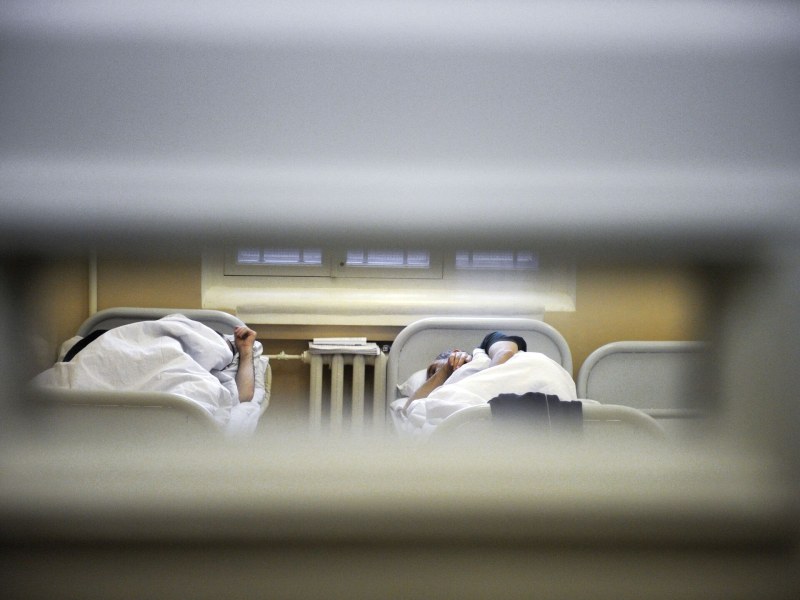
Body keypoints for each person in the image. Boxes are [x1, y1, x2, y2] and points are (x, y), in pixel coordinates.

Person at [403, 331, 527, 410]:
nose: (435, 378)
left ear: (456, 352)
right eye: (431, 377)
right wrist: (445, 370)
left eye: (434, 371)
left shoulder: (485, 350)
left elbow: (505, 353)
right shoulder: (440, 390)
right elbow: (409, 409)